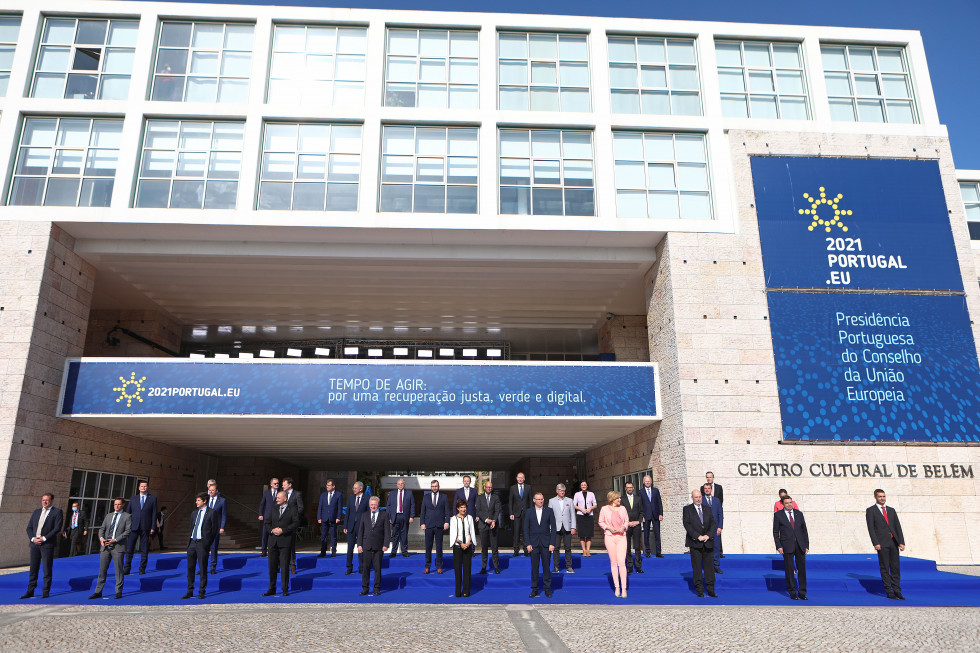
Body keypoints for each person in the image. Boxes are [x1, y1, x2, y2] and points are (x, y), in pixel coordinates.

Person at [22, 493, 63, 599]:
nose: (44, 502)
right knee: (33, 568)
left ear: (52, 501)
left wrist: (44, 538)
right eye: (43, 500)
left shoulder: (57, 512)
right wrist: (33, 538)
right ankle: (30, 590)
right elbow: (29, 528)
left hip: (47, 544)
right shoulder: (36, 512)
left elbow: (57, 528)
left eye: (47, 500)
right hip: (35, 544)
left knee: (46, 568)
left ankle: (45, 591)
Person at [866, 489, 906, 600]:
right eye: (880, 496)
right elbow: (871, 528)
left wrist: (901, 542)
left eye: (883, 496)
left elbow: (898, 527)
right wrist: (875, 543)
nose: (882, 498)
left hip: (893, 543)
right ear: (875, 497)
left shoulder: (891, 510)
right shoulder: (871, 511)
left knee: (895, 568)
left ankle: (897, 590)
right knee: (885, 568)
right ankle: (889, 591)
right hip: (882, 544)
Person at [89, 497, 131, 600]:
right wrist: (101, 538)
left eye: (119, 504)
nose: (117, 506)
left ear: (123, 505)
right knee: (102, 570)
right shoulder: (108, 516)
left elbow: (128, 531)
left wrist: (115, 540)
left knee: (118, 570)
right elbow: (102, 529)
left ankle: (118, 591)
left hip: (118, 546)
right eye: (115, 504)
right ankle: (98, 591)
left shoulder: (127, 516)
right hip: (105, 547)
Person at [184, 492, 219, 599]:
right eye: (196, 500)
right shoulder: (194, 513)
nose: (196, 502)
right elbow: (191, 527)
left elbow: (214, 530)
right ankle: (190, 590)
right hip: (192, 543)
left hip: (202, 543)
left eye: (198, 500)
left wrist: (207, 542)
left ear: (204, 501)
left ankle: (201, 591)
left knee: (202, 568)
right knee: (190, 568)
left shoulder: (212, 513)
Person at [264, 490, 299, 597]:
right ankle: (272, 588)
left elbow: (296, 523)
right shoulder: (273, 509)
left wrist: (283, 530)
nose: (276, 499)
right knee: (272, 566)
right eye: (276, 497)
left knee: (284, 566)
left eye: (279, 497)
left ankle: (285, 588)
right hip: (273, 541)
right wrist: (272, 530)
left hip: (285, 541)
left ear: (285, 498)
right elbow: (267, 523)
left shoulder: (292, 509)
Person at [683, 489, 717, 598]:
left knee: (709, 568)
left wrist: (708, 535)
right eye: (696, 497)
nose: (698, 499)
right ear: (692, 498)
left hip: (708, 542)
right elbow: (687, 525)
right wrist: (698, 536)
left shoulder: (708, 509)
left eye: (700, 497)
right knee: (697, 567)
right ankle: (699, 590)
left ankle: (711, 589)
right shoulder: (687, 509)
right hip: (695, 543)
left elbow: (713, 523)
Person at [773, 495, 809, 600]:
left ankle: (802, 592)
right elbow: (775, 532)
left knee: (802, 570)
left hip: (800, 545)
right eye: (787, 503)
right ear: (783, 504)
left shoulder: (799, 514)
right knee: (789, 570)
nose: (789, 504)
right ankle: (792, 592)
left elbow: (804, 530)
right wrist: (778, 546)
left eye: (790, 502)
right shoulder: (778, 515)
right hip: (786, 545)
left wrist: (806, 545)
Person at [524, 492, 556, 598]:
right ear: (534, 500)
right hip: (533, 544)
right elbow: (526, 529)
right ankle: (534, 589)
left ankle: (547, 589)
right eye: (538, 499)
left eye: (542, 499)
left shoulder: (549, 511)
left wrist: (552, 543)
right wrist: (527, 543)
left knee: (546, 567)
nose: (541, 501)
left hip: (546, 544)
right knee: (534, 568)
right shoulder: (529, 512)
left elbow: (554, 528)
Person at [357, 496, 391, 596]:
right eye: (371, 504)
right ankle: (365, 588)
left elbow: (387, 532)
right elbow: (361, 531)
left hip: (379, 546)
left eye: (375, 505)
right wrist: (359, 545)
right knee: (365, 569)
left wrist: (386, 544)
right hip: (366, 545)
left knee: (377, 568)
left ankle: (377, 588)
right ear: (369, 505)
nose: (373, 506)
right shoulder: (364, 515)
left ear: (378, 505)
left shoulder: (384, 515)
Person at [598, 490, 630, 597]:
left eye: (620, 498)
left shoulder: (623, 508)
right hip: (610, 537)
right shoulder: (604, 509)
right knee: (614, 562)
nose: (620, 500)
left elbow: (626, 521)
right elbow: (601, 522)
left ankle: (624, 588)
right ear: (612, 499)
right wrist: (608, 527)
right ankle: (617, 587)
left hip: (621, 537)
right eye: (618, 498)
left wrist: (623, 527)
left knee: (622, 562)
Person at [124, 480, 157, 575]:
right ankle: (127, 568)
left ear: (147, 487)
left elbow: (154, 513)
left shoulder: (153, 498)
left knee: (144, 549)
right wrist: (127, 526)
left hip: (146, 527)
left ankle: (142, 568)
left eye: (145, 486)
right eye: (142, 486)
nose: (143, 488)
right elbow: (128, 513)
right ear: (139, 487)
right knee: (129, 549)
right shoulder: (133, 499)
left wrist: (153, 527)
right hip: (133, 527)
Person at [420, 479, 450, 574]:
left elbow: (447, 511)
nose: (434, 488)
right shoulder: (426, 497)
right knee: (428, 547)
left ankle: (439, 567)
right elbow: (422, 512)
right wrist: (422, 523)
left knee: (439, 547)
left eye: (436, 486)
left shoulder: (444, 497)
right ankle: (427, 566)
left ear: (439, 487)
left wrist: (447, 522)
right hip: (428, 526)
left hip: (439, 526)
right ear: (430, 487)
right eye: (433, 486)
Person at [449, 498, 476, 597]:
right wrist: (461, 543)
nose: (463, 509)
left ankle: (466, 591)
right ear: (458, 508)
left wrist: (468, 543)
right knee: (458, 569)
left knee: (467, 569)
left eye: (465, 507)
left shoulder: (469, 518)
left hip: (468, 547)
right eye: (461, 507)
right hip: (458, 547)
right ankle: (457, 591)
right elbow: (453, 535)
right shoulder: (453, 519)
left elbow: (471, 532)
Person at [475, 480, 502, 574]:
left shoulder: (496, 497)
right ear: (484, 487)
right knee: (484, 548)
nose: (489, 488)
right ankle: (483, 567)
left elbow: (497, 510)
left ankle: (496, 567)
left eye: (490, 487)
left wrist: (493, 520)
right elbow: (478, 510)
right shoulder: (479, 497)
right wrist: (486, 520)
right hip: (483, 525)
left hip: (493, 526)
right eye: (487, 487)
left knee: (494, 548)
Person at [548, 483, 576, 573]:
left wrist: (573, 527)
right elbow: (549, 515)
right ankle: (556, 567)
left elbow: (572, 514)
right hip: (556, 527)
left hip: (567, 527)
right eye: (560, 490)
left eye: (563, 490)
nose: (562, 492)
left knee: (568, 548)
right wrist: (549, 527)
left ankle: (569, 567)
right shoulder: (551, 501)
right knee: (556, 548)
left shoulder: (569, 500)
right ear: (557, 491)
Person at [344, 481, 369, 575]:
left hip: (361, 527)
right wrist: (345, 525)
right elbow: (348, 513)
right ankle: (349, 567)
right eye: (353, 488)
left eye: (355, 488)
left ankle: (362, 567)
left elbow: (368, 513)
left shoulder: (367, 498)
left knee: (361, 548)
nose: (353, 489)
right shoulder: (351, 499)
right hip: (351, 527)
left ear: (360, 489)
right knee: (350, 548)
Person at [386, 477, 414, 557]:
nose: (400, 485)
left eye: (402, 484)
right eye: (399, 484)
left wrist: (411, 516)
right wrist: (389, 517)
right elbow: (389, 506)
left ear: (404, 484)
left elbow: (412, 505)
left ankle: (404, 551)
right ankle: (393, 552)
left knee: (404, 534)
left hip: (405, 516)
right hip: (395, 516)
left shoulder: (409, 493)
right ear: (397, 485)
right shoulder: (392, 493)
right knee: (395, 535)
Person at [639, 475, 664, 558]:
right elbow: (640, 505)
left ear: (651, 481)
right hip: (646, 515)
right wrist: (641, 516)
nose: (648, 482)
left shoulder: (656, 490)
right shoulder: (641, 492)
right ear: (643, 482)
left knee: (657, 534)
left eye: (649, 481)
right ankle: (648, 552)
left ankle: (658, 552)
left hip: (656, 514)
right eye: (646, 481)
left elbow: (659, 502)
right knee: (646, 534)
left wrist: (661, 514)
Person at [317, 479, 343, 557]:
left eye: (329, 485)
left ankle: (333, 551)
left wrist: (338, 517)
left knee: (333, 535)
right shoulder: (323, 495)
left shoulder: (338, 495)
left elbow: (339, 507)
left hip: (333, 518)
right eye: (327, 485)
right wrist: (319, 517)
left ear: (333, 486)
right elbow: (320, 506)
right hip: (324, 518)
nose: (327, 486)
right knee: (323, 535)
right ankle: (323, 551)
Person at [282, 477, 303, 574]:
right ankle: (280, 565)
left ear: (290, 485)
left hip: (291, 523)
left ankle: (292, 565)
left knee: (291, 545)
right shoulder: (281, 494)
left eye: (284, 484)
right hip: (281, 523)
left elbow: (301, 508)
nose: (283, 486)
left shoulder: (297, 494)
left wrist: (293, 516)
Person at [205, 483, 227, 574]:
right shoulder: (205, 500)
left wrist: (222, 527)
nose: (211, 491)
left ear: (216, 491)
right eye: (209, 490)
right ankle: (203, 567)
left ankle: (213, 566)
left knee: (213, 547)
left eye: (212, 490)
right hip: (205, 528)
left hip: (216, 528)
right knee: (203, 548)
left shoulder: (222, 501)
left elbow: (224, 515)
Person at [702, 483, 724, 574]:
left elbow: (720, 514)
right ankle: (708, 566)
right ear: (703, 490)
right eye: (705, 488)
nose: (707, 490)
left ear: (711, 490)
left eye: (708, 488)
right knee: (706, 548)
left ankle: (716, 566)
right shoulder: (701, 500)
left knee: (716, 547)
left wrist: (720, 527)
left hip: (715, 528)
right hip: (705, 529)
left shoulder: (717, 500)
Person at [622, 482, 643, 574]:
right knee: (627, 547)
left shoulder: (638, 498)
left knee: (637, 546)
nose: (630, 489)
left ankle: (638, 567)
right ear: (625, 488)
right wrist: (627, 523)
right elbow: (621, 513)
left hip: (636, 525)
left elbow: (642, 511)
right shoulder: (622, 499)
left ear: (633, 488)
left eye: (631, 487)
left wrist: (638, 521)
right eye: (628, 487)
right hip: (627, 525)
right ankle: (629, 566)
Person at [508, 472, 531, 555]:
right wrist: (511, 513)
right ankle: (516, 550)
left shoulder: (528, 487)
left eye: (522, 477)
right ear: (516, 478)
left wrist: (531, 513)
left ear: (524, 478)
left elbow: (530, 501)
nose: (520, 479)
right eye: (519, 477)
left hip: (526, 513)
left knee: (526, 532)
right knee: (516, 532)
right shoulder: (513, 488)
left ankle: (526, 550)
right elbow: (510, 502)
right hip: (516, 514)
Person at [573, 480, 597, 557]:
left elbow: (595, 504)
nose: (583, 486)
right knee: (582, 534)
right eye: (582, 485)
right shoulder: (577, 494)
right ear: (580, 486)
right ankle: (584, 550)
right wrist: (581, 509)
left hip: (589, 515)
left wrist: (590, 508)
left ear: (587, 486)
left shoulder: (591, 494)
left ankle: (588, 550)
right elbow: (574, 505)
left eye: (585, 485)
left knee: (589, 534)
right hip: (581, 515)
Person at [258, 477, 280, 557]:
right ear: (271, 484)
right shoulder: (267, 493)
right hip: (267, 516)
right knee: (265, 533)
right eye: (275, 483)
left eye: (278, 483)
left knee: (275, 533)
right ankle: (263, 550)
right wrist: (260, 514)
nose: (277, 484)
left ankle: (274, 549)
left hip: (277, 516)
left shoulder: (280, 492)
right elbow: (262, 504)